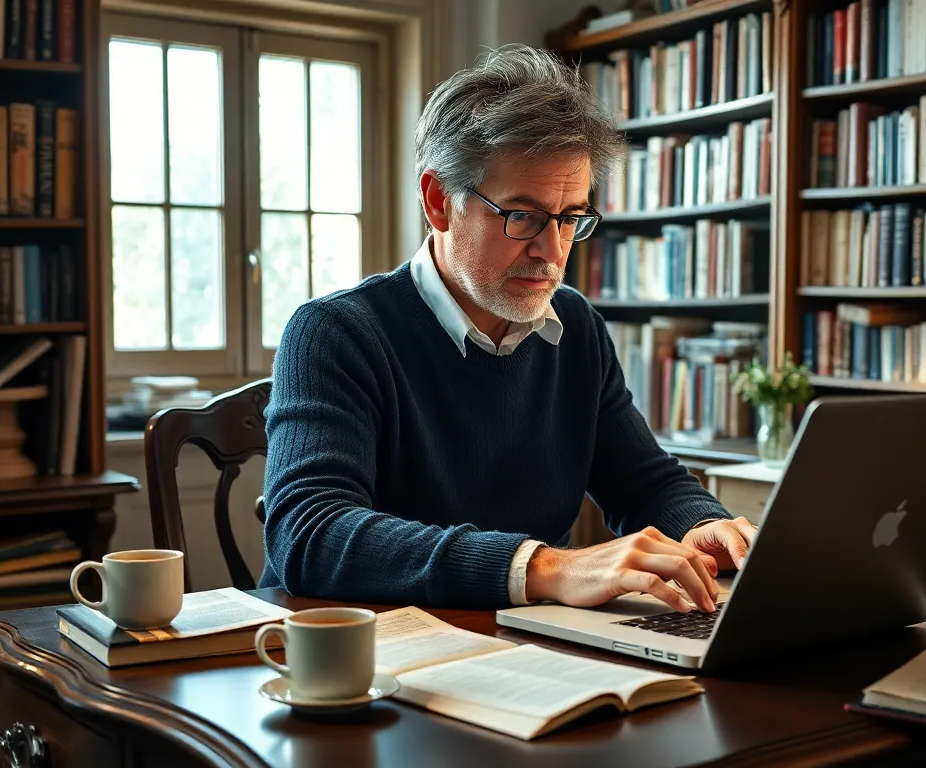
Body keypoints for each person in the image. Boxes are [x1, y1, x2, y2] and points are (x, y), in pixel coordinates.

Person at [259, 44, 756, 613]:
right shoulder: (334, 332)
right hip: (358, 654)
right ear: (438, 201)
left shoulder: (577, 328)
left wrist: (706, 526)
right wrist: (542, 566)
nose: (552, 250)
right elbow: (311, 534)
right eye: (522, 216)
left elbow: (645, 482)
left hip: (523, 645)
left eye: (571, 218)